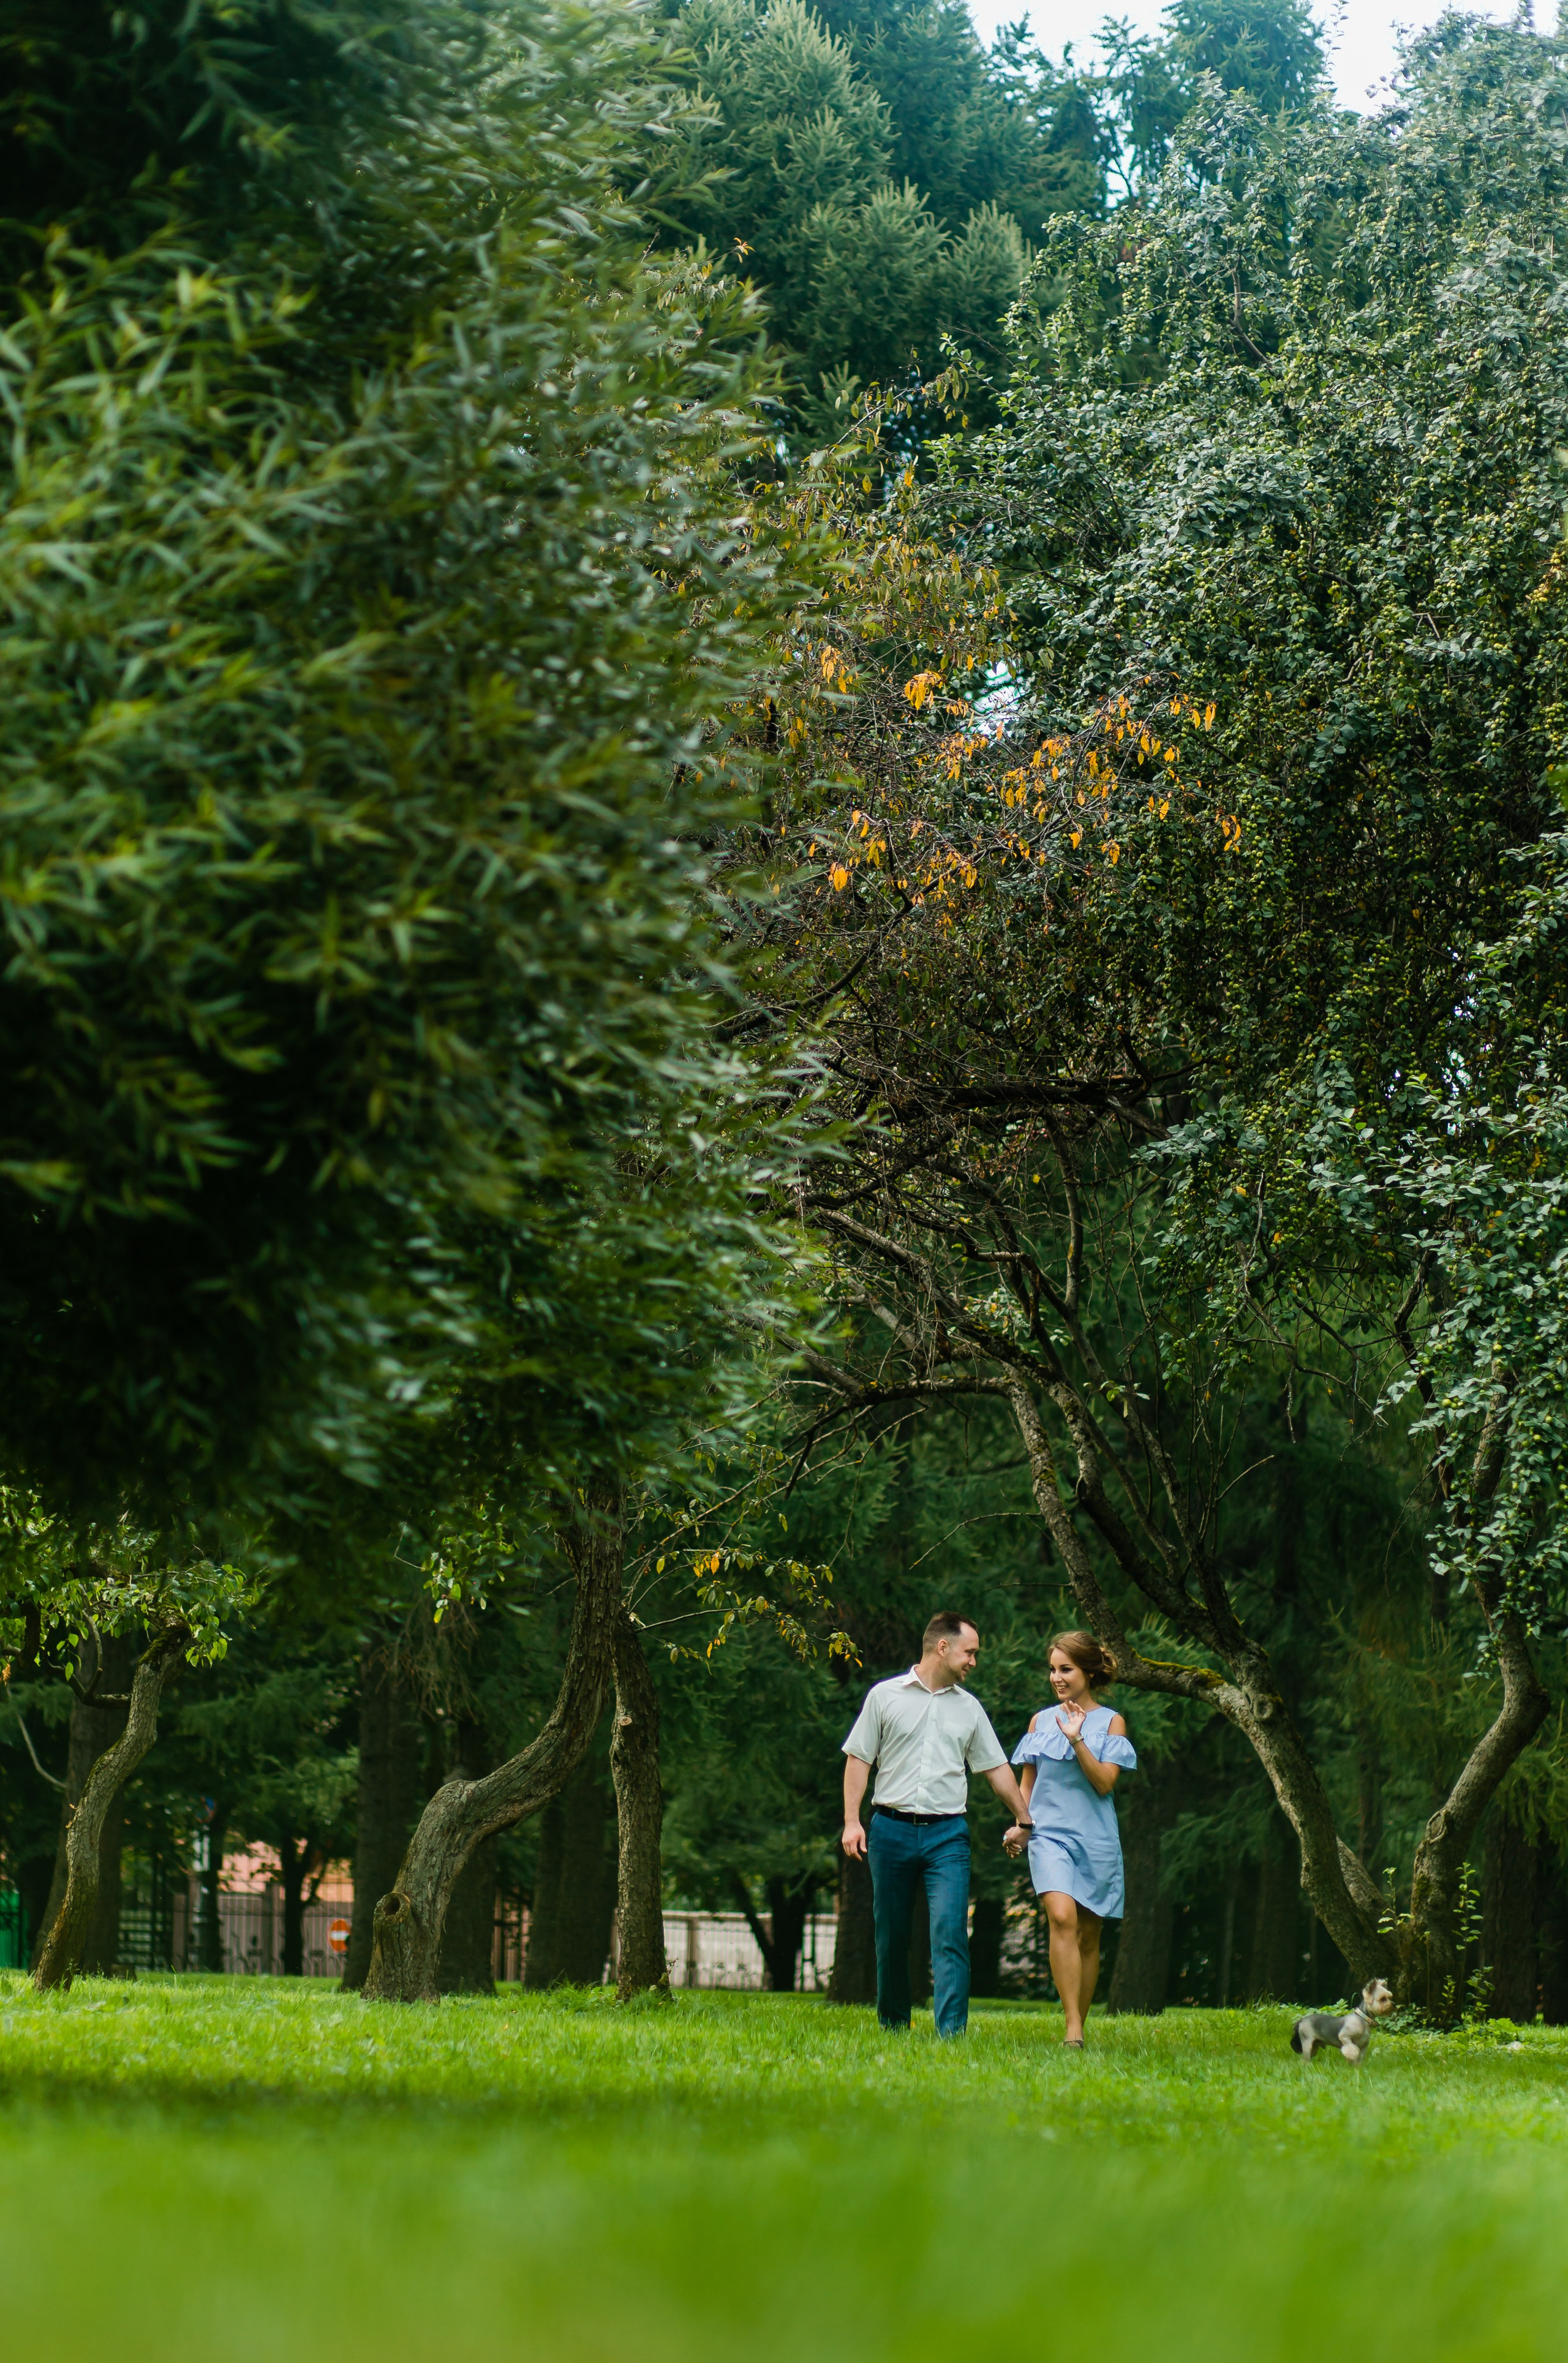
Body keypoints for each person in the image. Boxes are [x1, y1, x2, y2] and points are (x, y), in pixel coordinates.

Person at [842, 1611, 1036, 2039]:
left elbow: (996, 1768)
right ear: (942, 1647)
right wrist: (852, 1822)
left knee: (950, 1932)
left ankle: (952, 2034)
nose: (974, 1662)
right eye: (970, 1652)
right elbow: (859, 1758)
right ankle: (893, 2027)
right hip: (889, 1830)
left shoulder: (969, 1709)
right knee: (891, 1936)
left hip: (947, 1835)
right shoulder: (885, 1696)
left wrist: (1024, 1817)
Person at [1004, 1629, 1136, 2048]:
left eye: (1066, 1669)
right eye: (1053, 1670)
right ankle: (1072, 2027)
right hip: (1049, 1837)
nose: (1057, 1677)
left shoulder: (1111, 1721)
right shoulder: (1040, 1721)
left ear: (1089, 1671)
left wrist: (1077, 1739)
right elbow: (1028, 1784)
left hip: (1095, 1839)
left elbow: (1104, 1784)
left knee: (1089, 1935)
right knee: (1061, 1917)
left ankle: (1080, 2018)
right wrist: (1021, 1827)